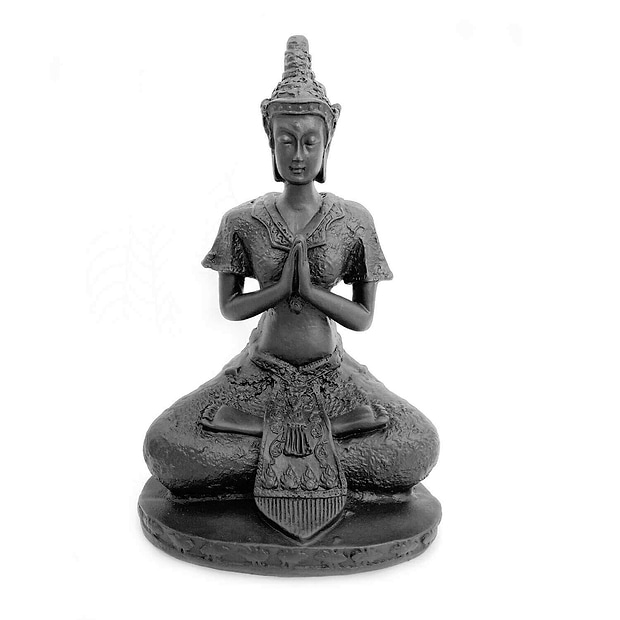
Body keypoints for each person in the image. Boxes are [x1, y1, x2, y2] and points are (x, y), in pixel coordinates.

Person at [144, 37, 438, 536]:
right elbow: (231, 308)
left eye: (309, 141)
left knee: (418, 443)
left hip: (332, 375)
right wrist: (280, 290)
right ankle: (318, 438)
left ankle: (271, 441)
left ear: (327, 144)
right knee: (166, 445)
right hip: (261, 373)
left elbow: (363, 318)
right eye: (286, 140)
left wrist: (314, 293)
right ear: (270, 142)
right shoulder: (243, 220)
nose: (298, 155)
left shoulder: (353, 220)